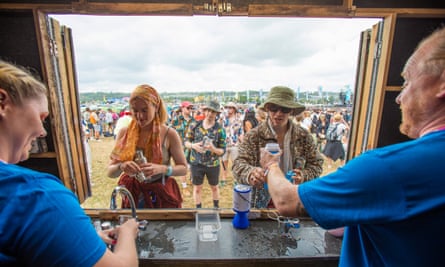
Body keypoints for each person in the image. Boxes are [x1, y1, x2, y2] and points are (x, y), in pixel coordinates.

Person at [259, 27, 445, 267]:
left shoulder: (387, 169)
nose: (399, 98)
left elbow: (287, 200)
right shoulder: (255, 134)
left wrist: (271, 165)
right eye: (274, 108)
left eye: (407, 81)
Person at [0, 60, 139, 266]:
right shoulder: (38, 196)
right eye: (41, 117)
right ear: (2, 103)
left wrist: (79, 241)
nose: (43, 131)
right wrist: (127, 232)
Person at [232, 86, 323, 208]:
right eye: (274, 108)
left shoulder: (303, 136)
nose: (278, 113)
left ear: (291, 110)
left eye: (284, 109)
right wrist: (252, 173)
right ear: (267, 109)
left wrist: (304, 175)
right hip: (260, 202)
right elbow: (238, 164)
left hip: (293, 197)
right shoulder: (254, 136)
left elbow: (316, 164)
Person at [107, 84, 187, 208]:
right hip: (133, 195)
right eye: (135, 110)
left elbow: (183, 168)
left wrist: (163, 169)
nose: (140, 116)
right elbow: (111, 172)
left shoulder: (169, 134)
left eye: (145, 110)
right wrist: (122, 166)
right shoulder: (125, 133)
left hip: (161, 196)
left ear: (156, 107)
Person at [184, 100, 226, 208]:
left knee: (215, 187)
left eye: (213, 112)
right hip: (196, 163)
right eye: (208, 110)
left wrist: (213, 149)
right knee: (197, 188)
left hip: (213, 164)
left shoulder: (220, 129)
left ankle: (216, 208)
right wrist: (194, 146)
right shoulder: (194, 125)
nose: (210, 114)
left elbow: (222, 151)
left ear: (217, 113)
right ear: (204, 111)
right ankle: (198, 210)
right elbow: (186, 142)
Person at [171, 101, 196, 196]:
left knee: (192, 166)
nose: (190, 110)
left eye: (190, 108)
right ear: (182, 108)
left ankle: (191, 180)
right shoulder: (176, 120)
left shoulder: (194, 121)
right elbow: (171, 134)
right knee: (183, 167)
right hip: (180, 149)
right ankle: (184, 187)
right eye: (187, 108)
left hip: (192, 148)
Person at [220, 102, 243, 187]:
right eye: (227, 107)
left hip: (235, 144)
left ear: (234, 109)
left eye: (230, 107)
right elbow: (218, 129)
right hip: (224, 144)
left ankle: (236, 179)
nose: (228, 109)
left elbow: (241, 132)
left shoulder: (239, 119)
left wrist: (243, 143)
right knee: (224, 162)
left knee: (235, 163)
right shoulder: (223, 118)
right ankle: (223, 179)